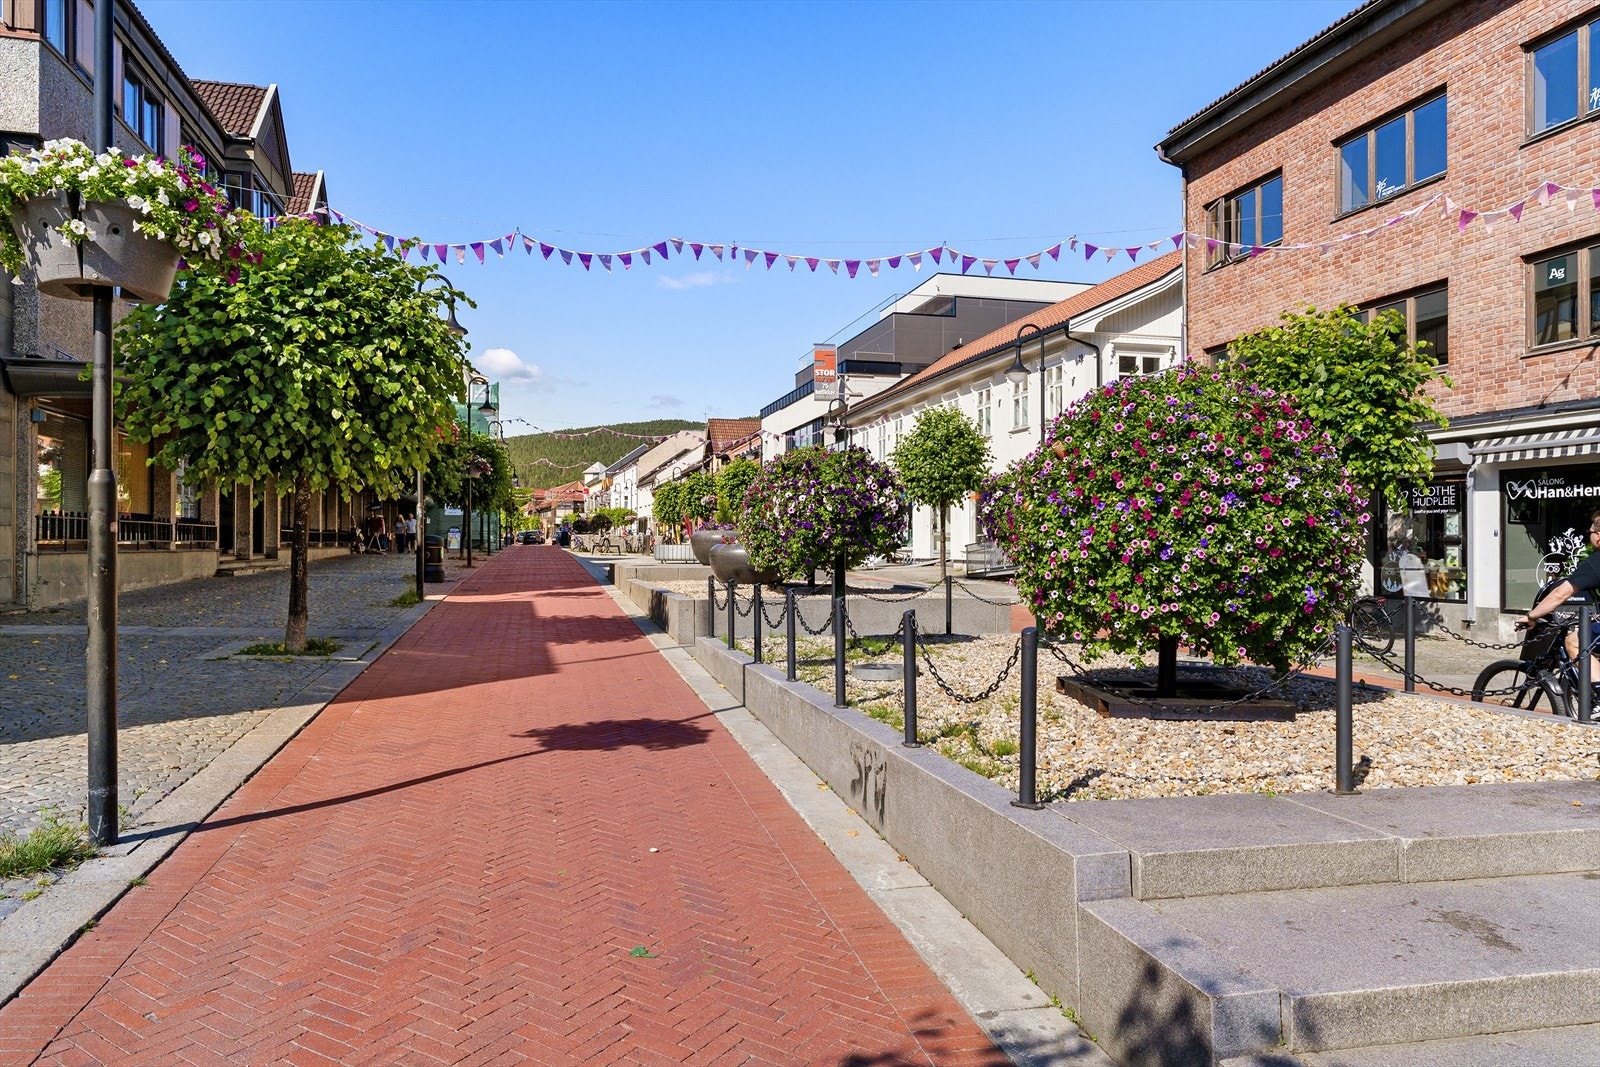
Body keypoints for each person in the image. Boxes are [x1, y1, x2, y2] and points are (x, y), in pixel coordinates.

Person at [1522, 509, 1600, 676]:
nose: (1590, 536)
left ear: (1598, 535)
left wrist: (1531, 617)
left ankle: (1597, 695)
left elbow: (1560, 594)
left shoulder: (1595, 562)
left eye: (1590, 532)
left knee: (1574, 642)